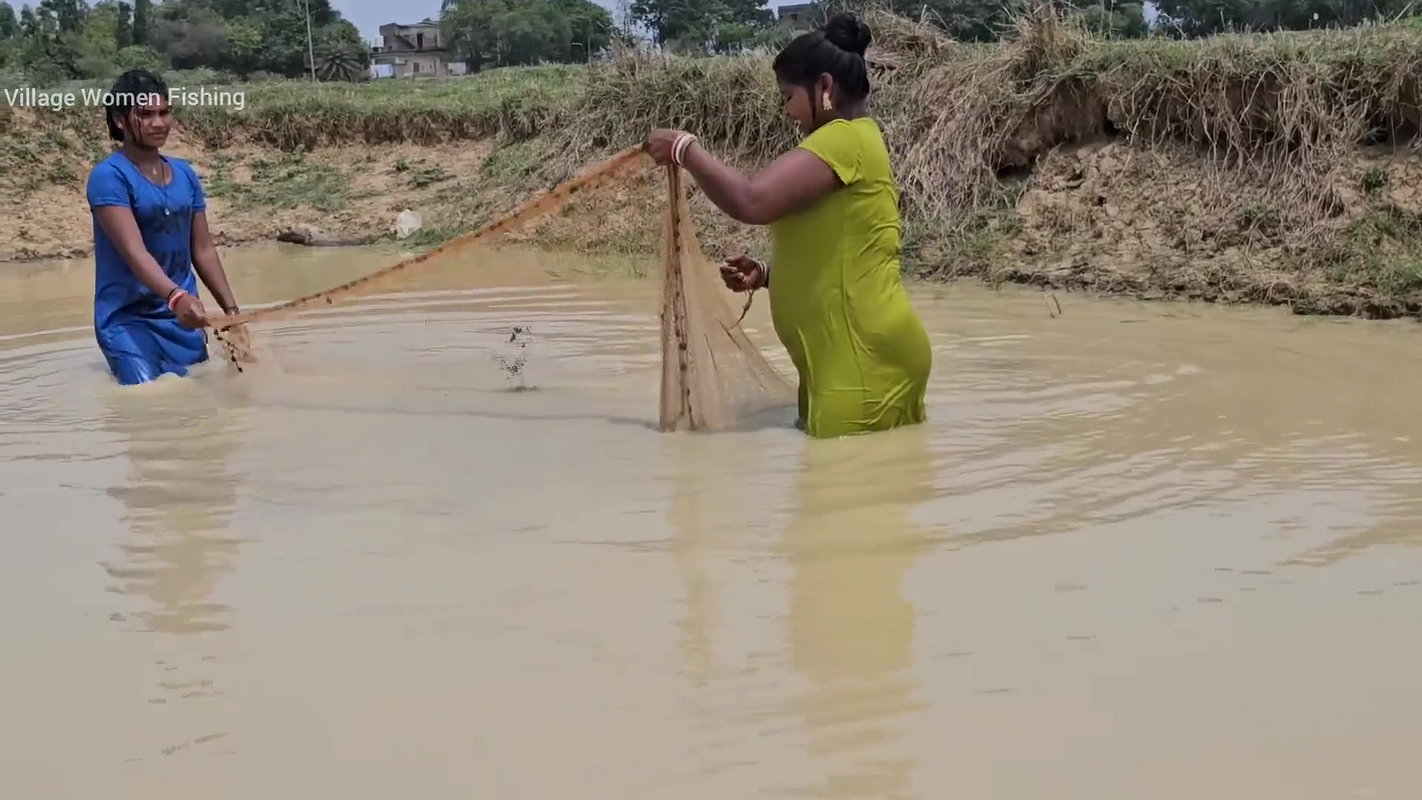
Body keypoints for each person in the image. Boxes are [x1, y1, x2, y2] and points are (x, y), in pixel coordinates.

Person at [645, 12, 931, 439]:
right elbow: (845, 252)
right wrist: (767, 276)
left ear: (826, 87)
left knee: (842, 495)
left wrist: (686, 149)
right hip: (849, 354)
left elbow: (752, 201)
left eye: (788, 96)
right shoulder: (855, 141)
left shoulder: (844, 139)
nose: (787, 111)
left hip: (860, 356)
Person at [86, 69, 242, 386]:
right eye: (145, 114)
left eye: (164, 112)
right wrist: (176, 297)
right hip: (128, 319)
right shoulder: (109, 177)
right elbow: (134, 253)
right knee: (145, 397)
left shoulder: (185, 175)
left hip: (182, 319)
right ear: (120, 120)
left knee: (197, 405)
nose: (158, 123)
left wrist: (231, 313)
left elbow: (203, 250)